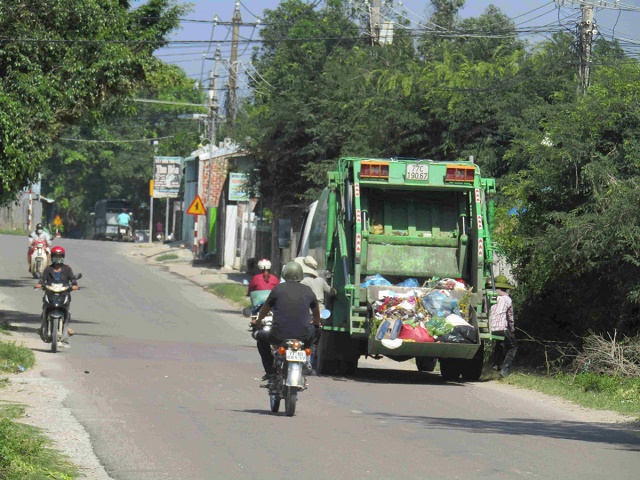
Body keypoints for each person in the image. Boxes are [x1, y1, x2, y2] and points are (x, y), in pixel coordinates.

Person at [252, 261, 321, 382]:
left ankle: (270, 372)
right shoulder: (308, 291)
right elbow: (316, 312)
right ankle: (309, 353)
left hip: (278, 335)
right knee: (317, 331)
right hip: (302, 336)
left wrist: (258, 321)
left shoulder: (277, 289)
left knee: (260, 338)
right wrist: (315, 324)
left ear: (284, 274)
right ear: (300, 275)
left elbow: (264, 309)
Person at [35, 246, 78, 342]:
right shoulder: (48, 269)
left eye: (60, 256)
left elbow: (73, 281)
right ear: (52, 257)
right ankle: (42, 326)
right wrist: (39, 284)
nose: (57, 258)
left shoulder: (67, 269)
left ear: (63, 257)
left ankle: (67, 326)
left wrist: (74, 286)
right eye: (55, 256)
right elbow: (42, 279)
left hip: (64, 293)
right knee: (45, 308)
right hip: (50, 293)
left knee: (66, 309)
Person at [489, 275, 517, 378]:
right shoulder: (507, 299)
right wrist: (512, 329)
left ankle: (496, 365)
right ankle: (505, 371)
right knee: (513, 346)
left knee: (500, 342)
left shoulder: (488, 296)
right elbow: (510, 317)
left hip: (489, 327)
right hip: (501, 327)